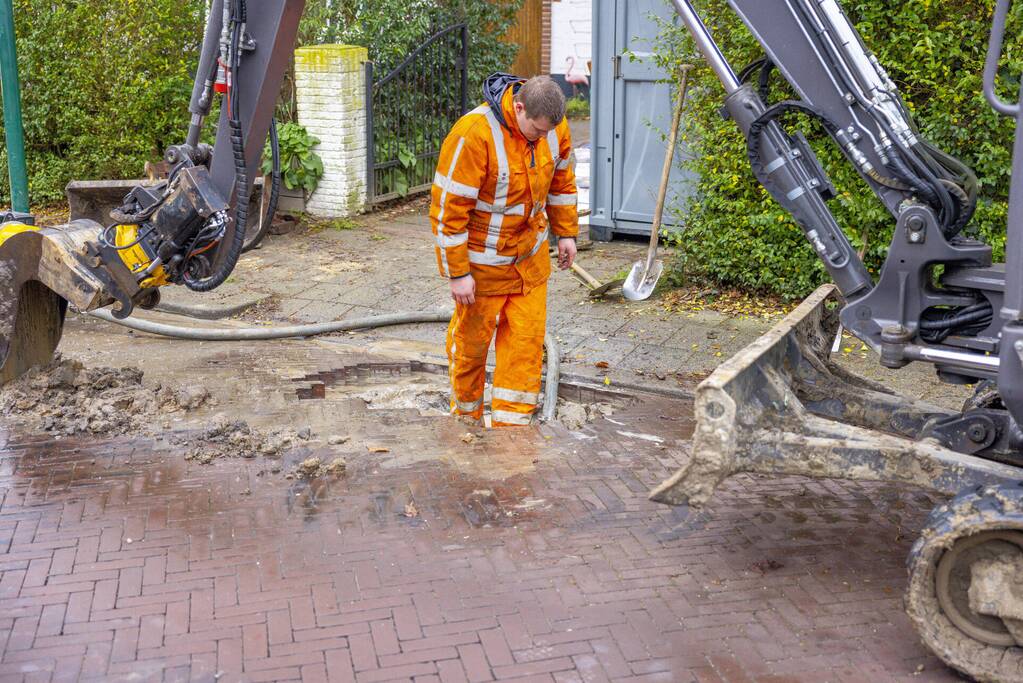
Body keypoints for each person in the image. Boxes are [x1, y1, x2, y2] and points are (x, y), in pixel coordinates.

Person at [430, 73, 578, 426]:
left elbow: (561, 182)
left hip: (529, 263)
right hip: (481, 272)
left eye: (547, 132)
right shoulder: (473, 134)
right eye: (536, 131)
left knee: (525, 347)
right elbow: (448, 211)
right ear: (519, 106)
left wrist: (567, 233)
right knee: (472, 348)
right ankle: (465, 420)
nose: (542, 139)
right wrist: (458, 273)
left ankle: (512, 432)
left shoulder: (554, 128)